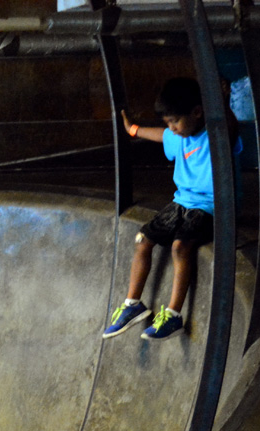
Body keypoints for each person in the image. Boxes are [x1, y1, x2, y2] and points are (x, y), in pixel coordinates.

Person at [103, 77, 241, 342]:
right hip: (182, 202)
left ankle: (174, 315)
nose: (172, 128)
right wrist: (132, 129)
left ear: (197, 112)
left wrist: (222, 101)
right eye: (168, 122)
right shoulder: (179, 136)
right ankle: (133, 304)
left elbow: (230, 127)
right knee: (143, 239)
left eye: (175, 121)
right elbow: (158, 134)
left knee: (180, 246)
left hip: (212, 206)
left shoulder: (216, 136)